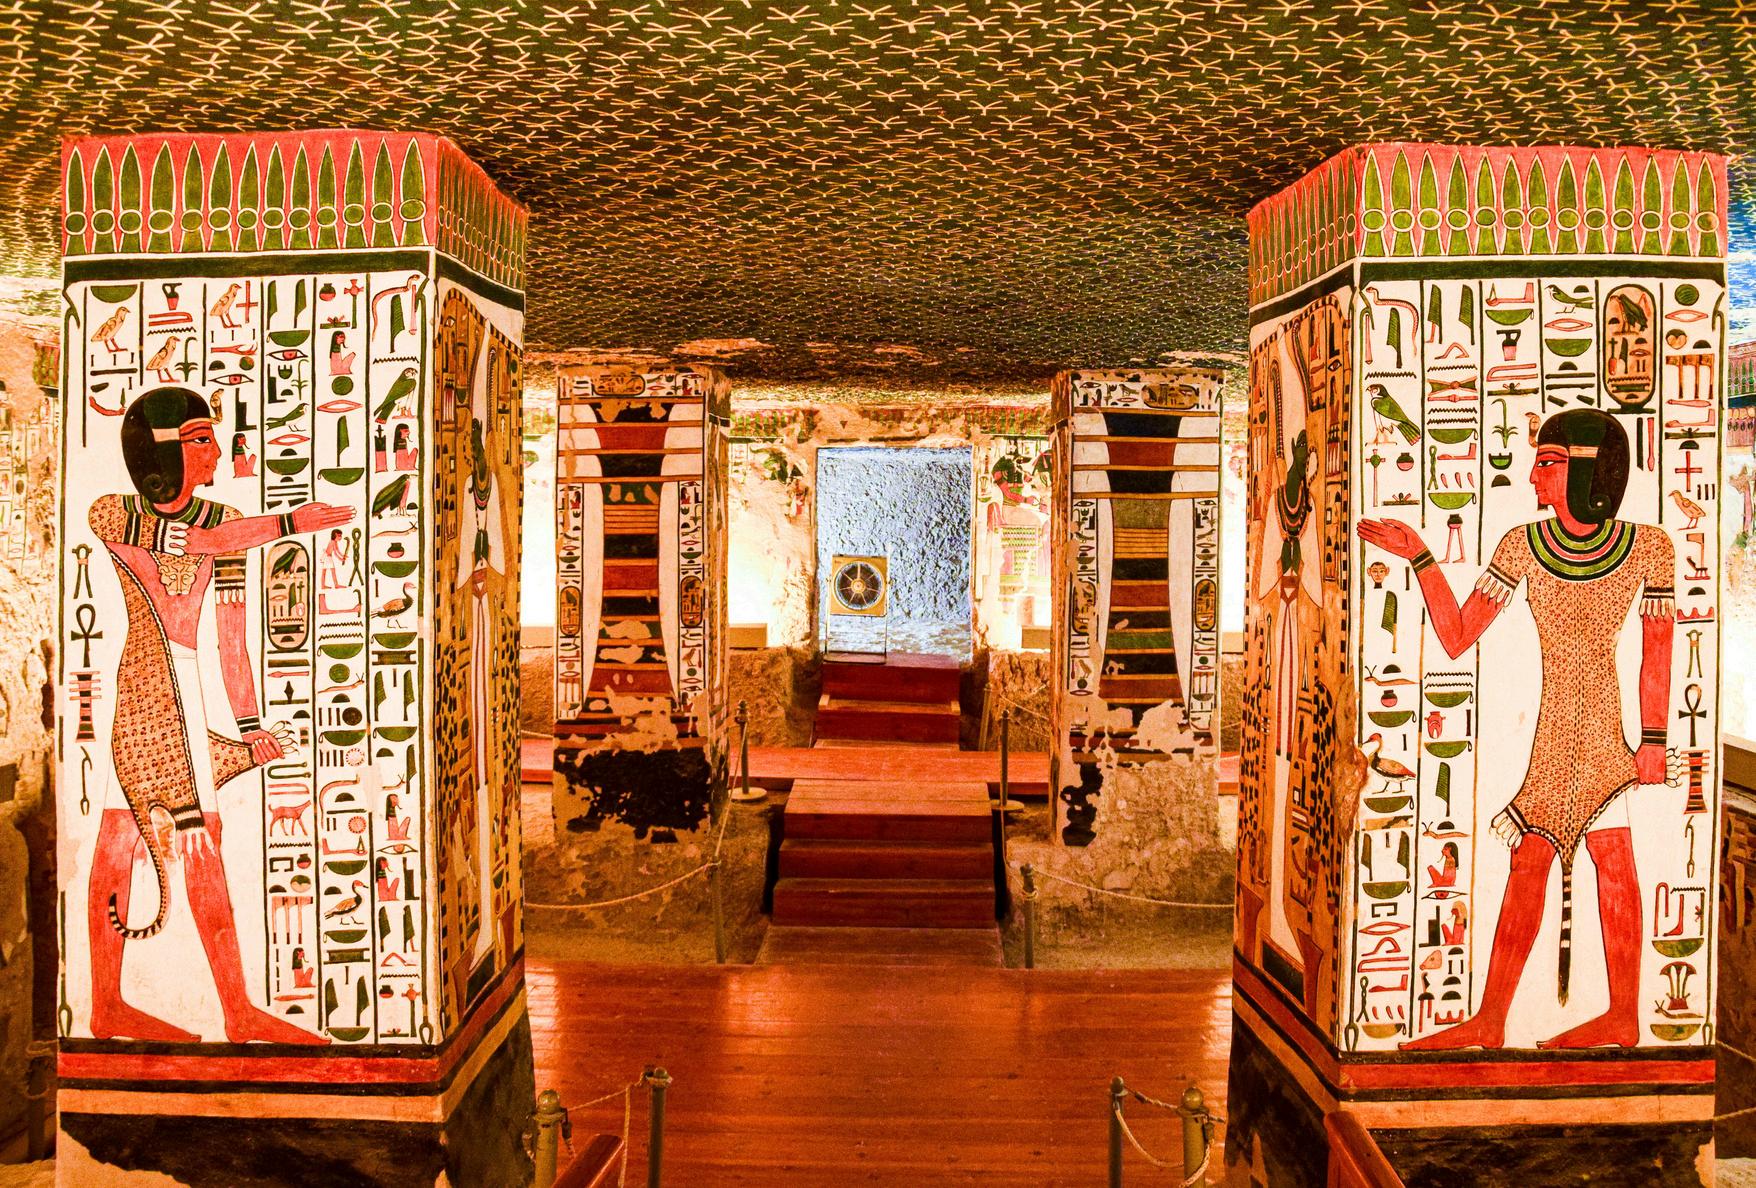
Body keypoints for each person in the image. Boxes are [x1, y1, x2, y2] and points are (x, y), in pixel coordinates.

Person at [1359, 408, 1674, 1050]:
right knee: (1534, 861)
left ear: (1590, 473)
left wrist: (1654, 739)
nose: (1533, 477)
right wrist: (1420, 556)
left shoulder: (1650, 547)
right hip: (1555, 738)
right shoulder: (1522, 545)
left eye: (1548, 464)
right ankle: (1497, 1018)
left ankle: (1615, 1014)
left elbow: (1657, 649)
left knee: (1608, 863)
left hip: (1604, 738)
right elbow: (1457, 635)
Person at [85, 386, 353, 1043]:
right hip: (147, 687)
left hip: (187, 688)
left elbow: (231, 637)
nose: (215, 452)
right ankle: (185, 1008)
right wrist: (289, 523)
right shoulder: (113, 512)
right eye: (200, 439)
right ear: (159, 453)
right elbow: (202, 541)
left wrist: (252, 727)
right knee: (151, 833)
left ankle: (202, 1009)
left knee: (141, 831)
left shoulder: (224, 517)